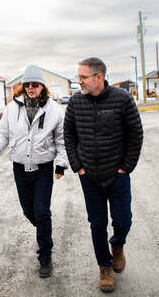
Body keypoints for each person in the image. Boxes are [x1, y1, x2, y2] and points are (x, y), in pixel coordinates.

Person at [0, 65, 68, 278]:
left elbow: (61, 140)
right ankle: (44, 231)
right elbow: (2, 135)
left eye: (35, 84)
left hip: (43, 167)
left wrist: (61, 164)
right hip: (20, 168)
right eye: (27, 84)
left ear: (43, 86)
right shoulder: (12, 108)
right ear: (23, 86)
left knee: (42, 212)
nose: (31, 87)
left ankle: (45, 256)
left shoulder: (54, 110)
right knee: (29, 211)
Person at [63, 57, 143, 292]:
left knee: (122, 221)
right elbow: (69, 135)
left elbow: (135, 135)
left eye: (83, 77)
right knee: (97, 223)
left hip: (117, 175)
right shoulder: (76, 102)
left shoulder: (123, 99)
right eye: (78, 77)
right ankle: (104, 267)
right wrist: (78, 167)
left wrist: (125, 167)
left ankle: (117, 245)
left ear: (99, 77)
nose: (79, 82)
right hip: (89, 176)